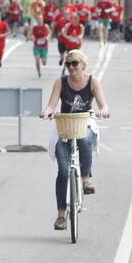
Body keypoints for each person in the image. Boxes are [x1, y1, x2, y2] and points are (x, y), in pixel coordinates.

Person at [40, 50, 110, 231]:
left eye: (75, 64)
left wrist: (103, 110)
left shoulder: (93, 82)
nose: (71, 67)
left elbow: (103, 104)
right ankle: (61, 215)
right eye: (68, 64)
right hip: (64, 127)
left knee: (86, 140)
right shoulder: (60, 83)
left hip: (83, 123)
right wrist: (47, 111)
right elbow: (51, 104)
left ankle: (85, 179)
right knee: (63, 172)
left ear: (83, 65)